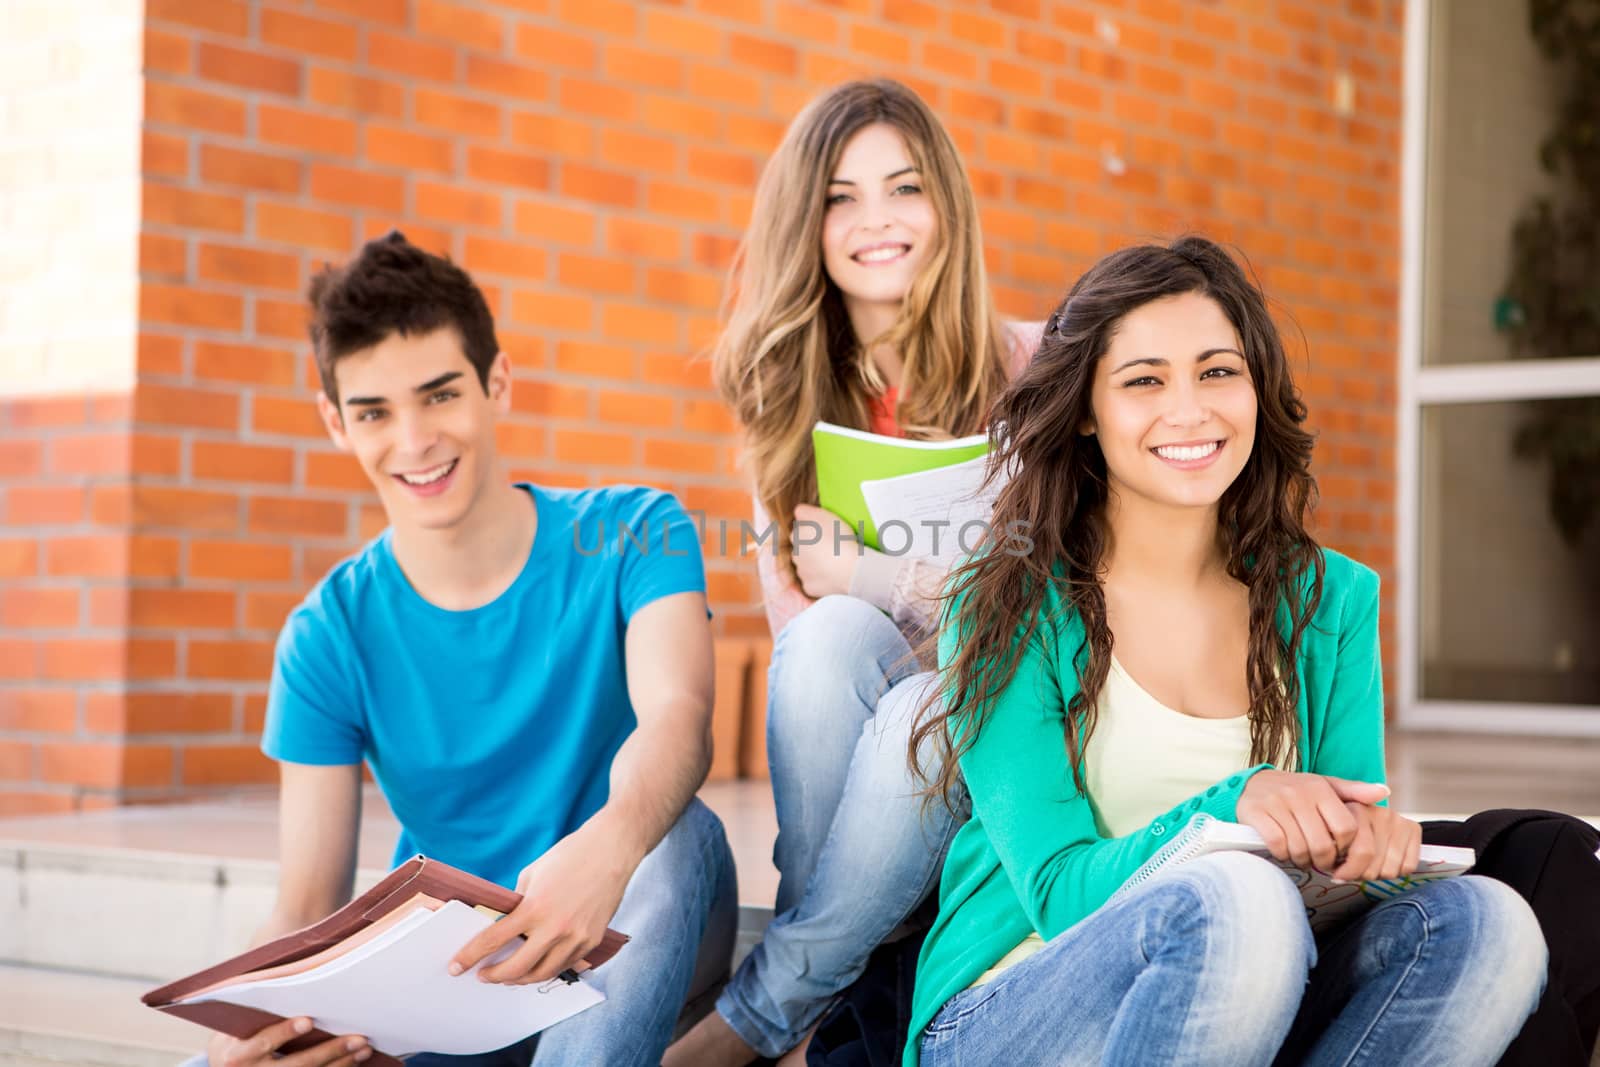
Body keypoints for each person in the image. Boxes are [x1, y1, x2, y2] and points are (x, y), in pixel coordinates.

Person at [902, 236, 1548, 1066]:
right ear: (1088, 409)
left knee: (1487, 924)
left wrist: (1371, 850)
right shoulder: (1008, 604)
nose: (1191, 410)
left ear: (1257, 389)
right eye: (1145, 381)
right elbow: (1059, 894)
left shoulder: (1329, 602)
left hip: (1252, 988)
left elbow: (1342, 859)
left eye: (1218, 371)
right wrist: (1233, 806)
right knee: (1235, 898)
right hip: (1010, 1010)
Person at [197, 232, 737, 1067]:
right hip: (455, 977)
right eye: (374, 412)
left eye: (439, 395)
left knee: (676, 838)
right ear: (336, 424)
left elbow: (681, 718)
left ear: (497, 383)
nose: (413, 440)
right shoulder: (325, 633)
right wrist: (265, 1025)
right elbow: (305, 902)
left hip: (625, 927)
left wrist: (608, 844)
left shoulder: (635, 528)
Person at [666, 80, 1039, 1066]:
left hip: (986, 718)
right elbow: (807, 648)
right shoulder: (781, 406)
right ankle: (825, 990)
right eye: (841, 196)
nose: (875, 219)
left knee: (931, 693)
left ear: (945, 207)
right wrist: (871, 596)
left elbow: (1046, 603)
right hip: (857, 751)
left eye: (903, 188)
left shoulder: (1036, 370)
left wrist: (884, 576)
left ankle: (772, 1010)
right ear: (810, 223)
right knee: (828, 639)